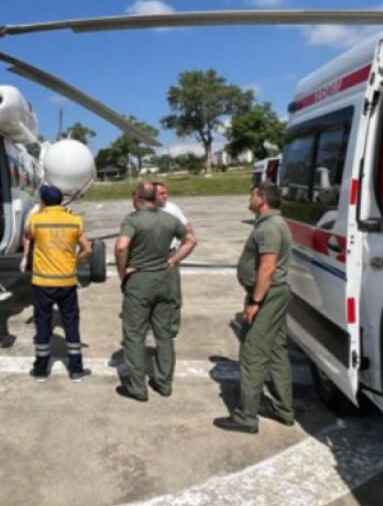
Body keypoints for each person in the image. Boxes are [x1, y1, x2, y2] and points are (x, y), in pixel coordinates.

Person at [215, 182, 295, 433]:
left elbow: (267, 267)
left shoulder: (270, 228)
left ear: (262, 199)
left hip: (267, 296)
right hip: (273, 294)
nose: (249, 198)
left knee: (252, 354)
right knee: (276, 350)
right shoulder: (273, 224)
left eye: (252, 194)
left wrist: (255, 302)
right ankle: (284, 409)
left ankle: (246, 417)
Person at [115, 182, 197, 401]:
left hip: (140, 281)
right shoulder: (170, 219)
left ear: (139, 198)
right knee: (164, 335)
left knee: (134, 334)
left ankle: (137, 387)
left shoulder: (132, 220)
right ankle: (164, 383)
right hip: (163, 279)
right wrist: (173, 260)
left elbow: (122, 246)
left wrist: (123, 273)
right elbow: (191, 239)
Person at [24, 185, 93, 381]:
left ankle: (40, 371)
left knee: (43, 325)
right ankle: (76, 370)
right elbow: (88, 250)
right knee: (71, 324)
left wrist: (39, 212)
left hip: (42, 282)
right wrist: (74, 261)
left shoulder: (36, 220)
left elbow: (27, 235)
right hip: (67, 281)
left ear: (43, 201)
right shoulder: (74, 220)